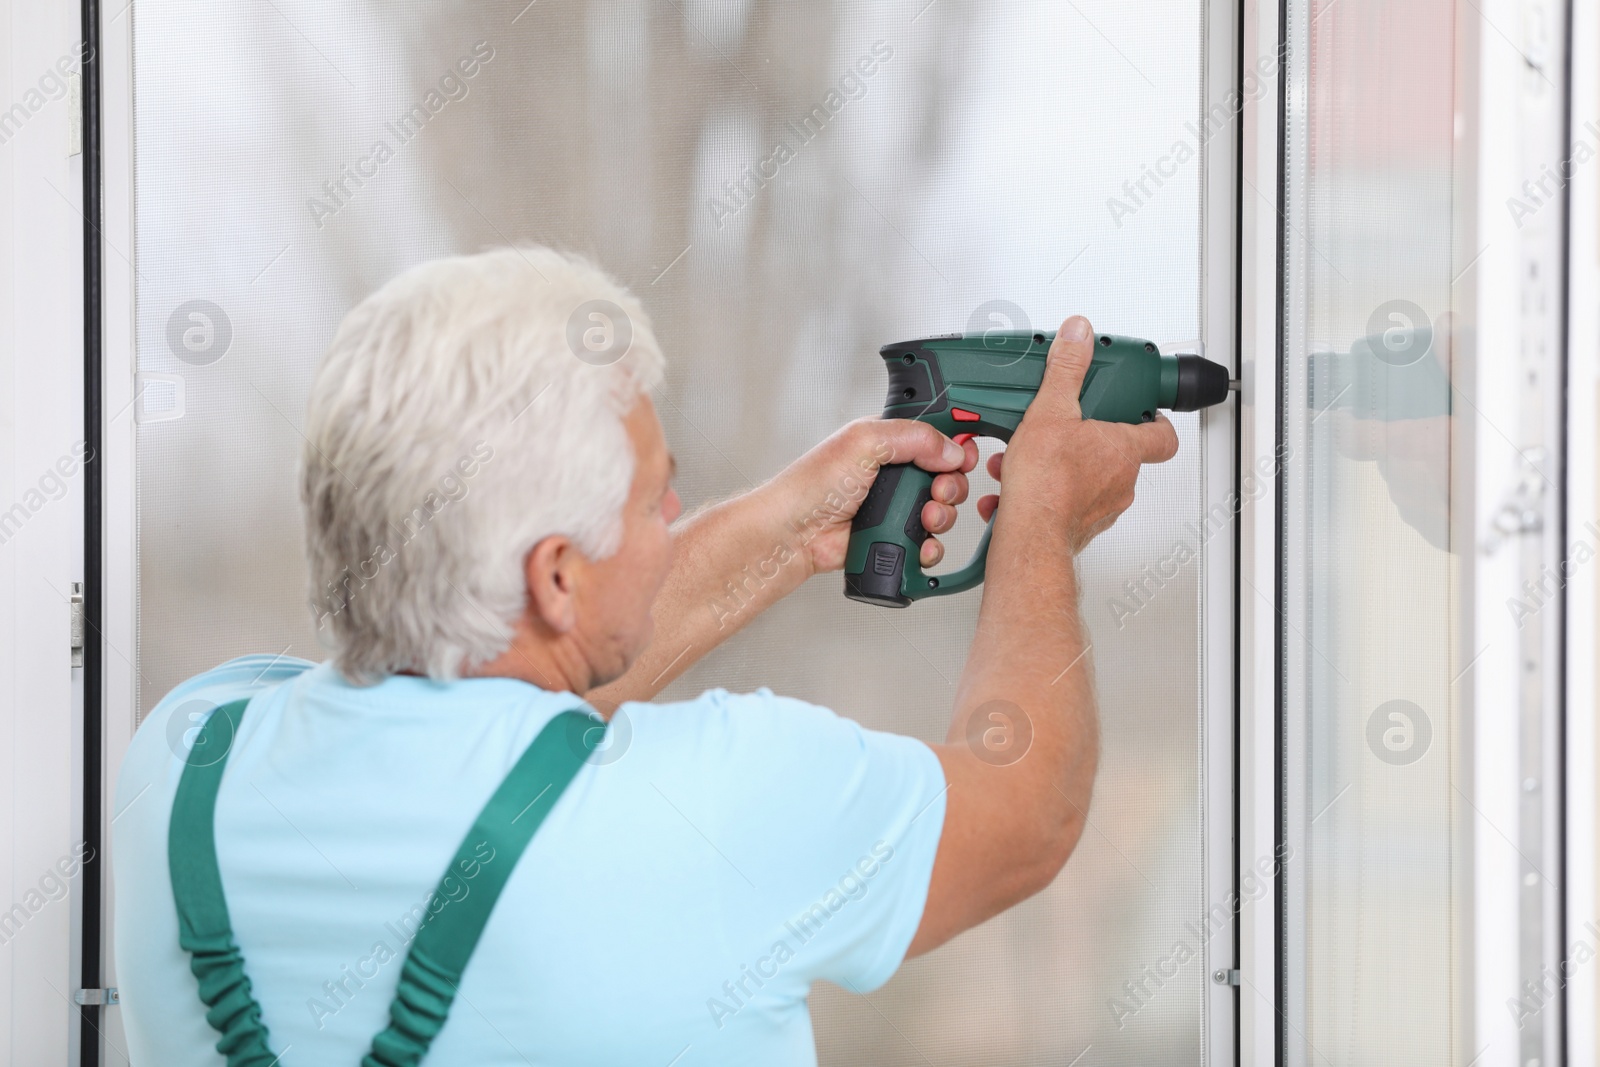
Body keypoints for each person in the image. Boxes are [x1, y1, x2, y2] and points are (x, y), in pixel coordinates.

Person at [112, 246, 1178, 1066]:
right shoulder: (722, 804)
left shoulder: (183, 757)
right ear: (557, 576)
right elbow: (1026, 810)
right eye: (654, 497)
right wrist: (1040, 519)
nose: (675, 516)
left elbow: (476, 701)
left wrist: (780, 535)